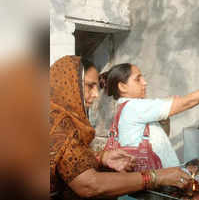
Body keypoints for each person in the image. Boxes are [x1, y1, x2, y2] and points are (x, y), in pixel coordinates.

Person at [50, 56, 191, 200]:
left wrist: (101, 158)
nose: (96, 94)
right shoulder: (56, 123)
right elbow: (89, 185)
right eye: (89, 86)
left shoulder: (63, 120)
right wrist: (156, 176)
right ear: (67, 85)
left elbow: (66, 162)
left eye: (97, 87)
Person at [104, 63, 199, 168]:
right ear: (122, 86)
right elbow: (187, 102)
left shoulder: (126, 108)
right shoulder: (135, 107)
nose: (145, 82)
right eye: (138, 79)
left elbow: (176, 106)